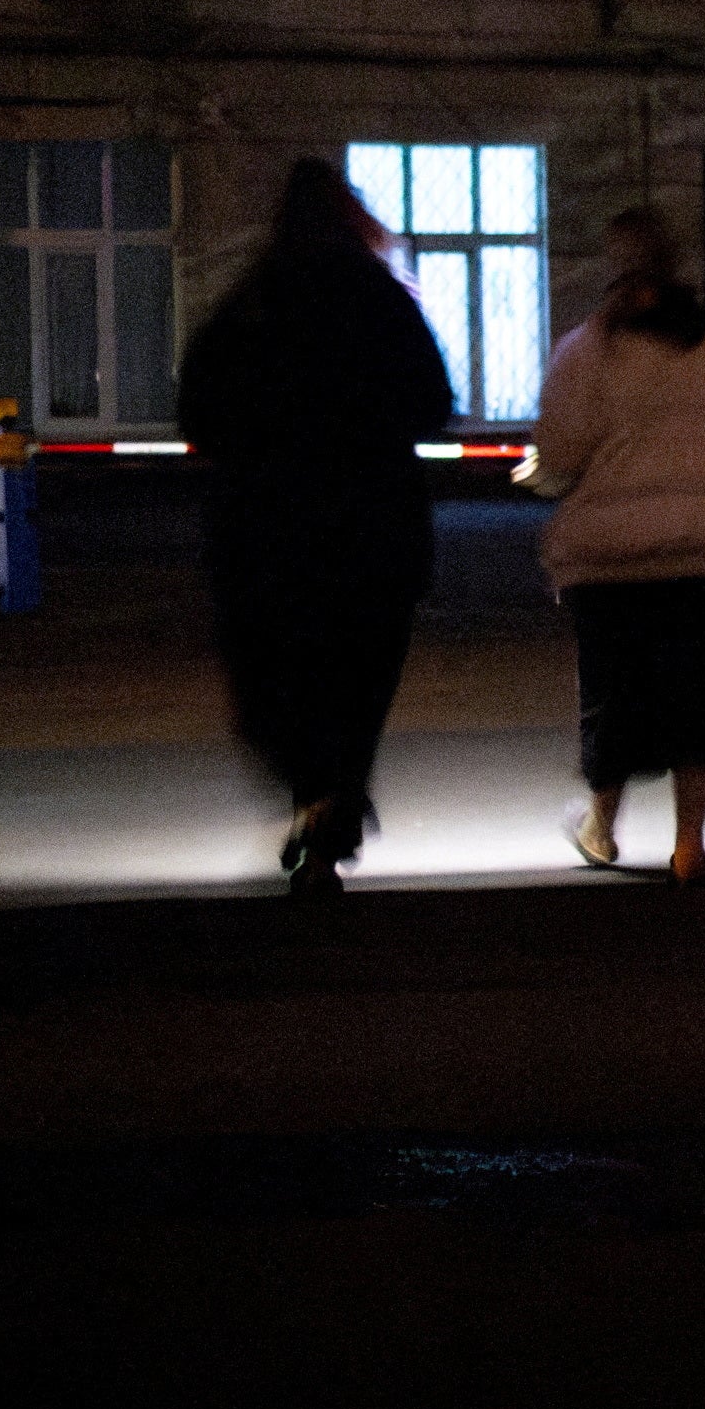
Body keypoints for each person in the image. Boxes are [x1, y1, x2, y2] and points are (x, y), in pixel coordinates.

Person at [179, 159, 457, 896]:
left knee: (284, 678)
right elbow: (434, 400)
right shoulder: (380, 300)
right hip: (373, 531)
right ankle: (331, 808)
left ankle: (313, 799)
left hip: (266, 532)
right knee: (357, 680)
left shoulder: (252, 303)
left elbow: (197, 413)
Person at [521, 207, 705, 882]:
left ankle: (601, 827)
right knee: (704, 691)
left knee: (614, 689)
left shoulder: (587, 351)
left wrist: (550, 473)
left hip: (615, 551)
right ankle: (689, 845)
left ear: (614, 270)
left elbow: (558, 449)